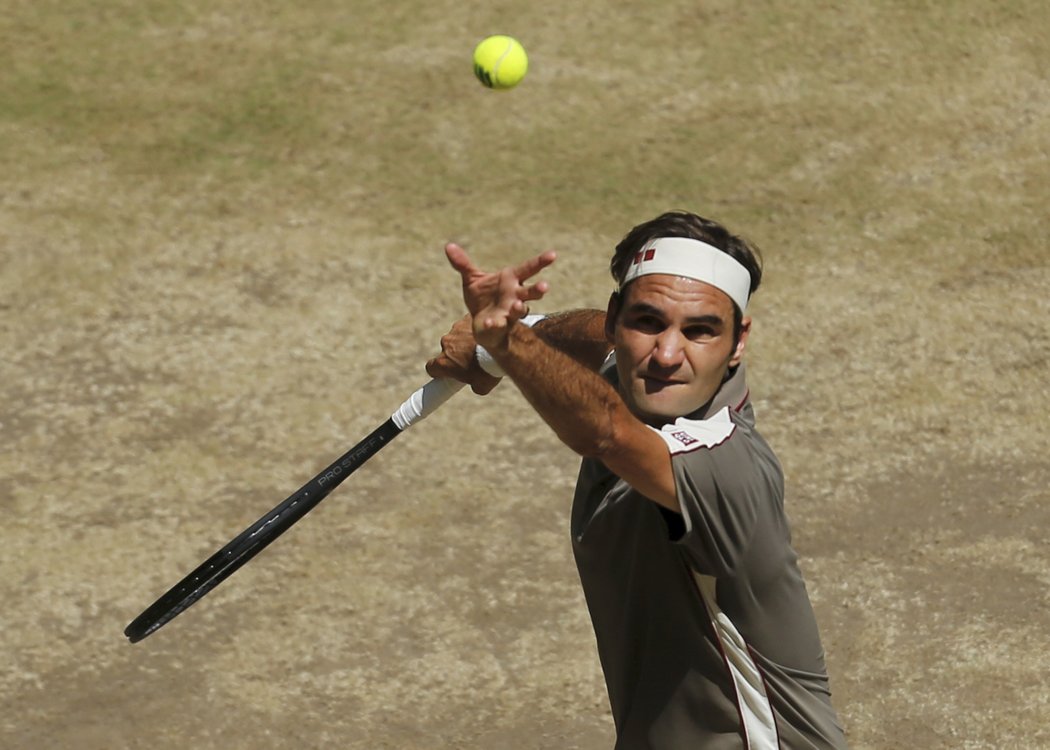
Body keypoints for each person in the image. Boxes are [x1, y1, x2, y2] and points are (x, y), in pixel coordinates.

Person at [428, 211, 848, 749]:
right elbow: (590, 342)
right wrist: (521, 333)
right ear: (615, 319)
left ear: (738, 341)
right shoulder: (632, 371)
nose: (668, 355)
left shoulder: (725, 463)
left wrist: (508, 345)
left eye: (701, 330)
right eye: (648, 321)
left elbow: (609, 435)